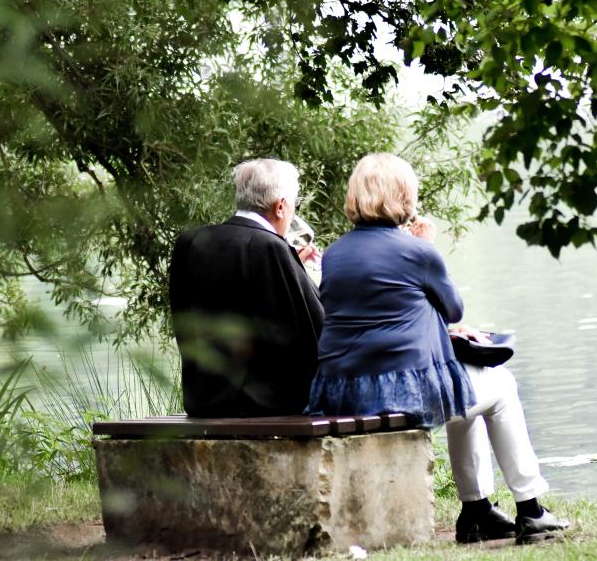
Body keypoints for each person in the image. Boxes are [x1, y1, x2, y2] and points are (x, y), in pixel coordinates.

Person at [306, 153, 569, 544]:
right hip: (399, 393)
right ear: (403, 195)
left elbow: (383, 308)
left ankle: (477, 510)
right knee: (501, 385)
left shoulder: (336, 254)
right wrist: (428, 247)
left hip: (344, 390)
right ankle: (530, 508)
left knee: (468, 397)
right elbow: (454, 308)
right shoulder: (417, 251)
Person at [169, 158, 323, 417]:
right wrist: (307, 276)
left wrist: (292, 264)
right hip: (264, 405)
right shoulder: (271, 248)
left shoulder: (190, 242)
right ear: (281, 207)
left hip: (203, 400)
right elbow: (313, 328)